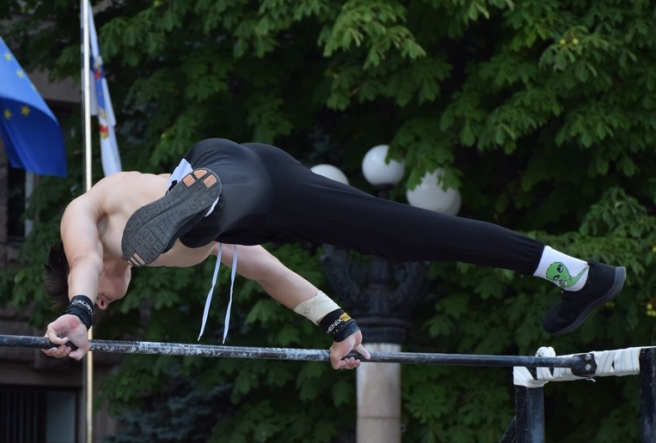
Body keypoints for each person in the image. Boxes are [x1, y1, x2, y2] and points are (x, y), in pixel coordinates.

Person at [42, 139, 626, 370]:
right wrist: (338, 323)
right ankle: (577, 274)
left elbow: (87, 266)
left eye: (107, 303)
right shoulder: (154, 251)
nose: (115, 299)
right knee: (407, 233)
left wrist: (82, 312)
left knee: (198, 230)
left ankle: (201, 201)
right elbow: (270, 271)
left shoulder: (85, 214)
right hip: (269, 196)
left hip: (225, 172)